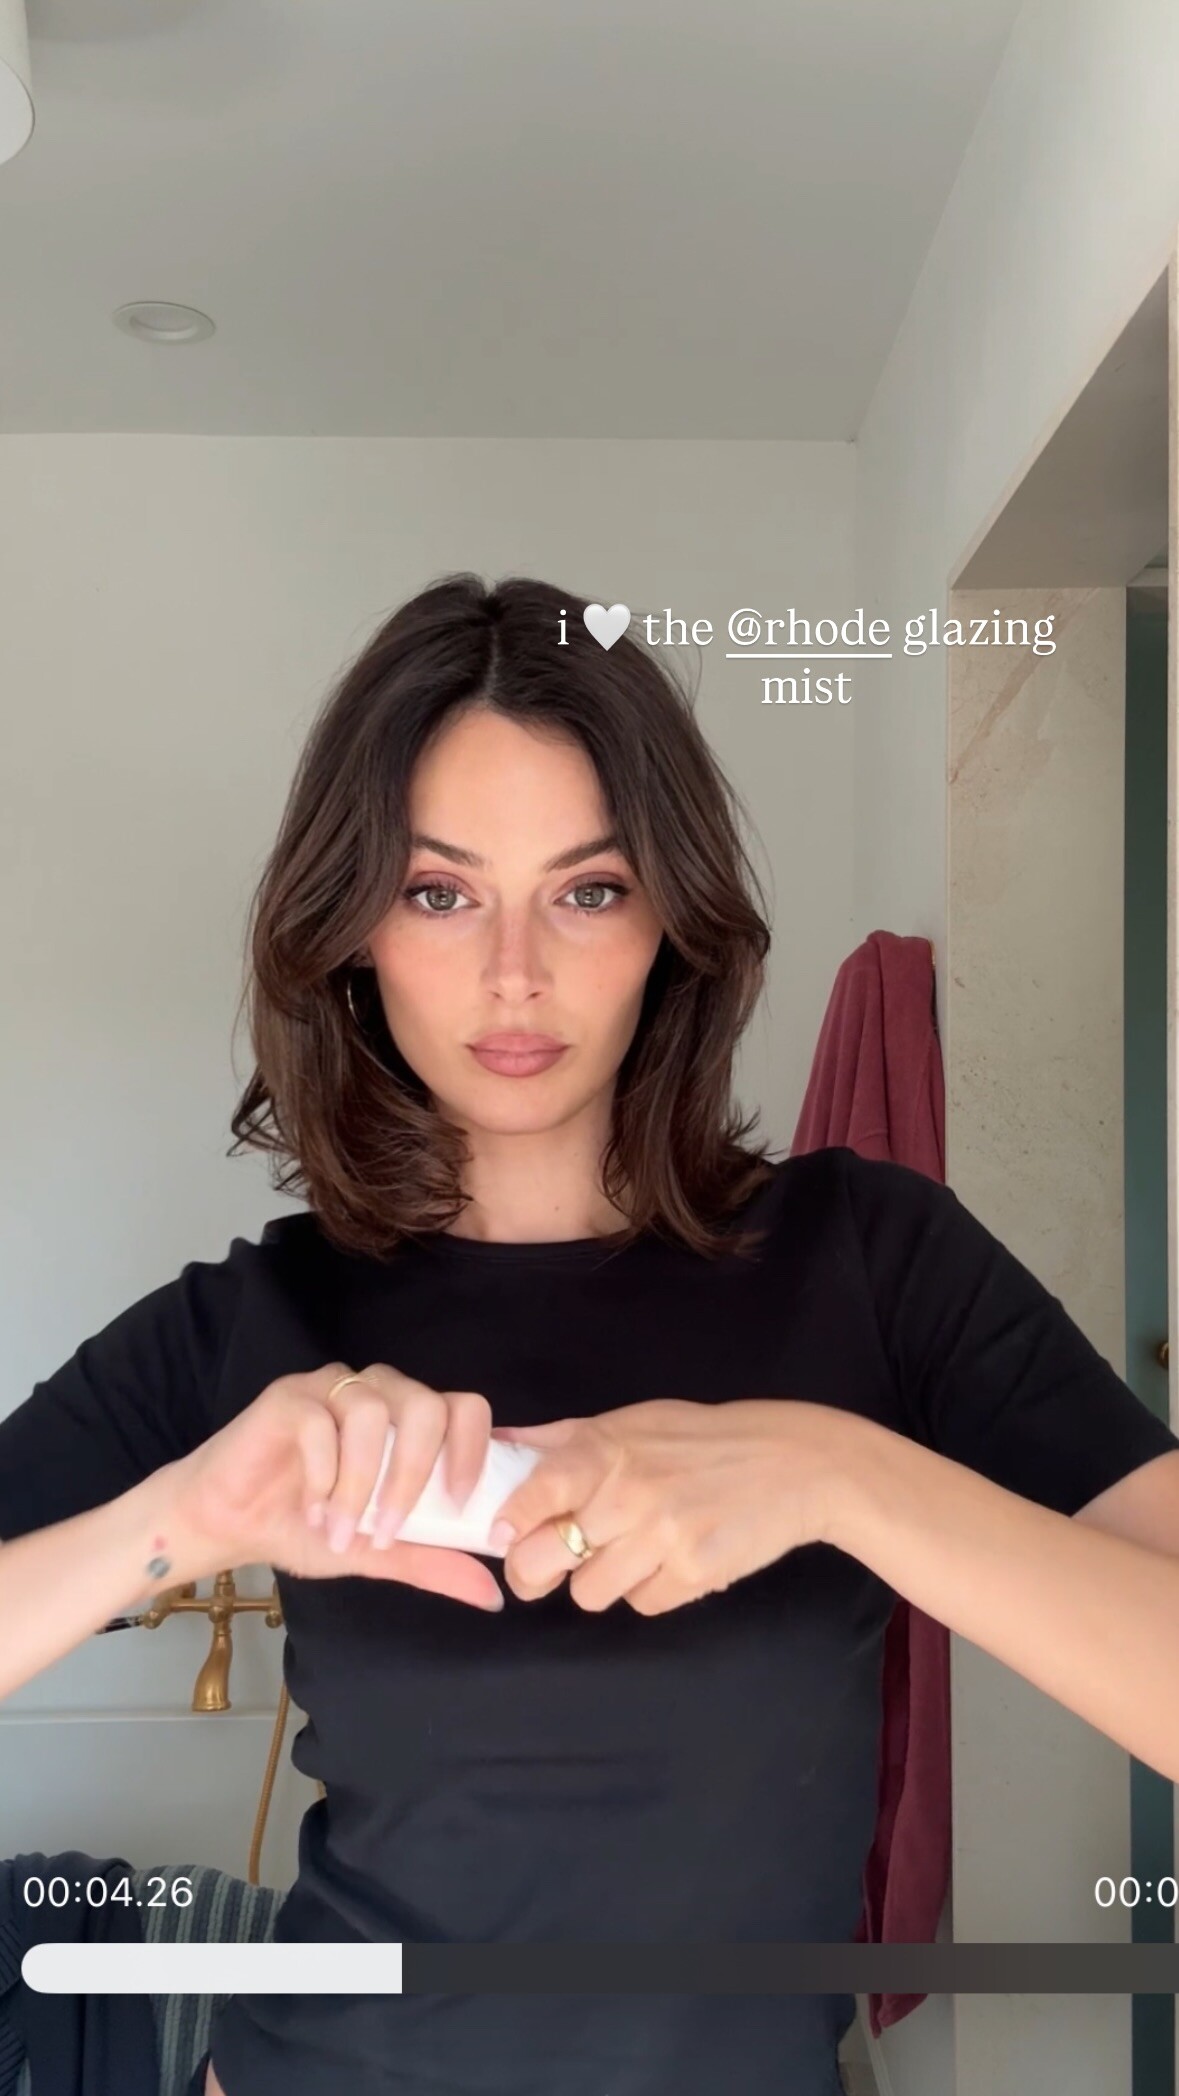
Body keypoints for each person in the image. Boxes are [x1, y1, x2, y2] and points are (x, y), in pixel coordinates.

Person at [1, 572, 1178, 2096]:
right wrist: (186, 1518)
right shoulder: (262, 1322)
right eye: (440, 893)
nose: (515, 972)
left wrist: (839, 1475)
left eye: (588, 889)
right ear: (353, 929)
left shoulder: (874, 1259)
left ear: (671, 920)